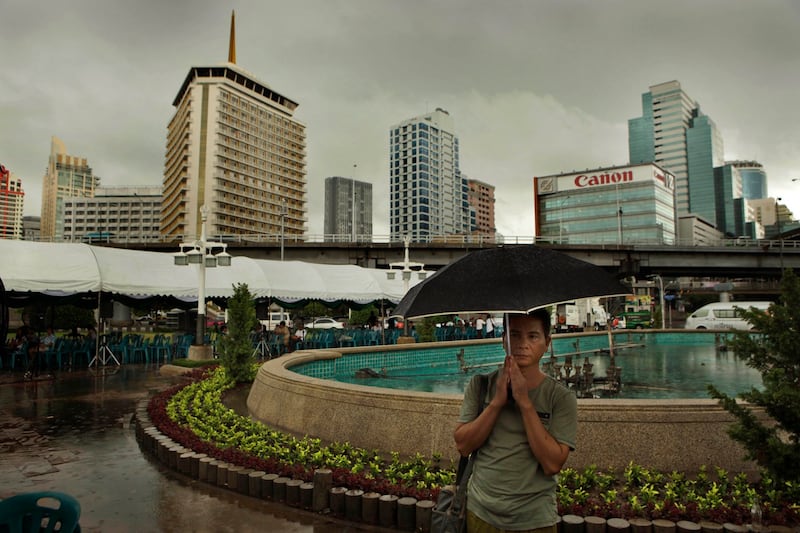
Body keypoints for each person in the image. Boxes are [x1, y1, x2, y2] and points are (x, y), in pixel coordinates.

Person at [454, 309, 577, 532]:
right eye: (515, 335)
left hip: (534, 519)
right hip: (480, 511)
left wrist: (524, 403)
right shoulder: (480, 385)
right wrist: (497, 402)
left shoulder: (560, 397)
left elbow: (552, 464)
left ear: (547, 342)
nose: (523, 344)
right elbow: (463, 445)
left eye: (533, 336)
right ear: (504, 340)